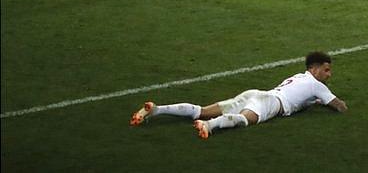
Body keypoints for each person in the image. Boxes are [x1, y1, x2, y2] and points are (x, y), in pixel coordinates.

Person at [129, 51, 347, 139]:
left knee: (202, 110)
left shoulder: (299, 78)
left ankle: (157, 109)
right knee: (244, 120)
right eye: (326, 70)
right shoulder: (316, 85)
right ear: (315, 68)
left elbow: (304, 97)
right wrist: (334, 104)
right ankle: (210, 126)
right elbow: (339, 106)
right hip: (270, 103)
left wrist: (314, 102)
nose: (329, 74)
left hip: (256, 93)